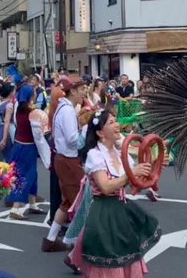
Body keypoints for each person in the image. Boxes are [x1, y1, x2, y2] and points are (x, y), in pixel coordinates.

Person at [71, 111, 161, 277]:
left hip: (122, 210)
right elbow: (105, 187)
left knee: (127, 254)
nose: (117, 125)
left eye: (115, 121)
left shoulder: (121, 154)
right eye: (111, 122)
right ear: (100, 132)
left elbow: (135, 185)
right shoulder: (95, 155)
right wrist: (131, 173)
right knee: (110, 257)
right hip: (103, 212)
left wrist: (150, 169)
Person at [43, 76, 86, 252]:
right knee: (82, 200)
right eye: (82, 89)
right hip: (68, 159)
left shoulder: (63, 108)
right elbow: (72, 139)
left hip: (63, 158)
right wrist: (87, 131)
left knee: (68, 200)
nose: (85, 92)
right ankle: (79, 248)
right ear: (73, 91)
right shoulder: (67, 111)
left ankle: (51, 239)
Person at [7, 84, 50, 221]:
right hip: (28, 147)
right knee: (26, 176)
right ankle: (15, 207)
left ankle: (32, 204)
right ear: (31, 95)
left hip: (18, 144)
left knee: (30, 175)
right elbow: (39, 133)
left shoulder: (17, 108)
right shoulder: (32, 112)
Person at [0, 83, 15, 162]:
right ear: (10, 92)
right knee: (9, 155)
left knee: (3, 154)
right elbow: (7, 122)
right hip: (7, 130)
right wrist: (5, 138)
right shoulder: (9, 105)